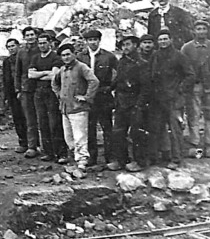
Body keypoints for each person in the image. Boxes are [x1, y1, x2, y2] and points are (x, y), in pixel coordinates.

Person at [150, 29, 195, 169]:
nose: (163, 42)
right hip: (158, 99)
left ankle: (176, 159)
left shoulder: (179, 56)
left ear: (171, 40)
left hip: (174, 99)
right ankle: (162, 156)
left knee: (175, 130)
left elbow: (190, 75)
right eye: (160, 40)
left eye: (165, 39)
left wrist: (180, 89)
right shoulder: (155, 56)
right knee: (158, 128)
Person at [181, 20, 210, 158]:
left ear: (207, 31)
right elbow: (182, 67)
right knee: (193, 115)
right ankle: (195, 145)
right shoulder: (187, 48)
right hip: (194, 86)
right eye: (198, 29)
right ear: (194, 31)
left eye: (204, 29)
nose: (201, 31)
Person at [53, 43, 99, 172]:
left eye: (68, 54)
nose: (66, 57)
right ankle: (75, 158)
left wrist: (86, 97)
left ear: (74, 54)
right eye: (63, 55)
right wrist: (60, 95)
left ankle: (82, 161)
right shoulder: (62, 69)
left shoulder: (81, 67)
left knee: (80, 137)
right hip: (65, 109)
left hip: (78, 109)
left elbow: (94, 81)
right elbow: (55, 83)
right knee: (69, 137)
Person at [110, 36, 152, 171]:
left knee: (137, 133)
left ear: (135, 45)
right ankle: (121, 160)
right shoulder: (122, 61)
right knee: (118, 132)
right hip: (121, 103)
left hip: (135, 104)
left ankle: (139, 162)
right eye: (123, 46)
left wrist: (139, 105)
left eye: (128, 44)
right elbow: (118, 80)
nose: (125, 48)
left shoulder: (141, 63)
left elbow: (146, 87)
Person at [77, 29, 118, 166]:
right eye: (90, 40)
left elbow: (118, 73)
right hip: (88, 97)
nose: (92, 42)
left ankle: (110, 156)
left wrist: (110, 88)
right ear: (86, 42)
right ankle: (92, 157)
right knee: (89, 127)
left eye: (95, 39)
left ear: (99, 41)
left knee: (107, 127)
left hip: (103, 96)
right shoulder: (81, 57)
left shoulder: (109, 56)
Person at [28, 33, 65, 162]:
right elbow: (30, 75)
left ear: (50, 43)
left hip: (52, 93)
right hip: (38, 93)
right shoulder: (35, 58)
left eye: (44, 43)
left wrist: (39, 74)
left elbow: (54, 76)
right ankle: (48, 152)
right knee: (43, 123)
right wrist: (45, 72)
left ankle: (61, 153)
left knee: (54, 123)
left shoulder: (55, 57)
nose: (42, 45)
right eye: (40, 43)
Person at [14, 27, 41, 158]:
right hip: (26, 89)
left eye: (32, 35)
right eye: (27, 35)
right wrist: (18, 89)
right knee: (30, 119)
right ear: (24, 37)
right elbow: (18, 72)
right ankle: (32, 146)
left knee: (43, 118)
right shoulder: (21, 52)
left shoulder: (41, 48)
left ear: (36, 36)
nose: (30, 37)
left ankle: (45, 146)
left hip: (40, 88)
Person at [3, 38, 27, 153]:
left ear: (18, 46)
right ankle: (22, 142)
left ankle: (34, 143)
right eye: (9, 47)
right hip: (13, 94)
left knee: (28, 118)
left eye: (13, 46)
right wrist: (7, 97)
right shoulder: (7, 61)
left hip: (24, 91)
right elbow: (5, 79)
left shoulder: (24, 58)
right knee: (17, 118)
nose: (11, 48)